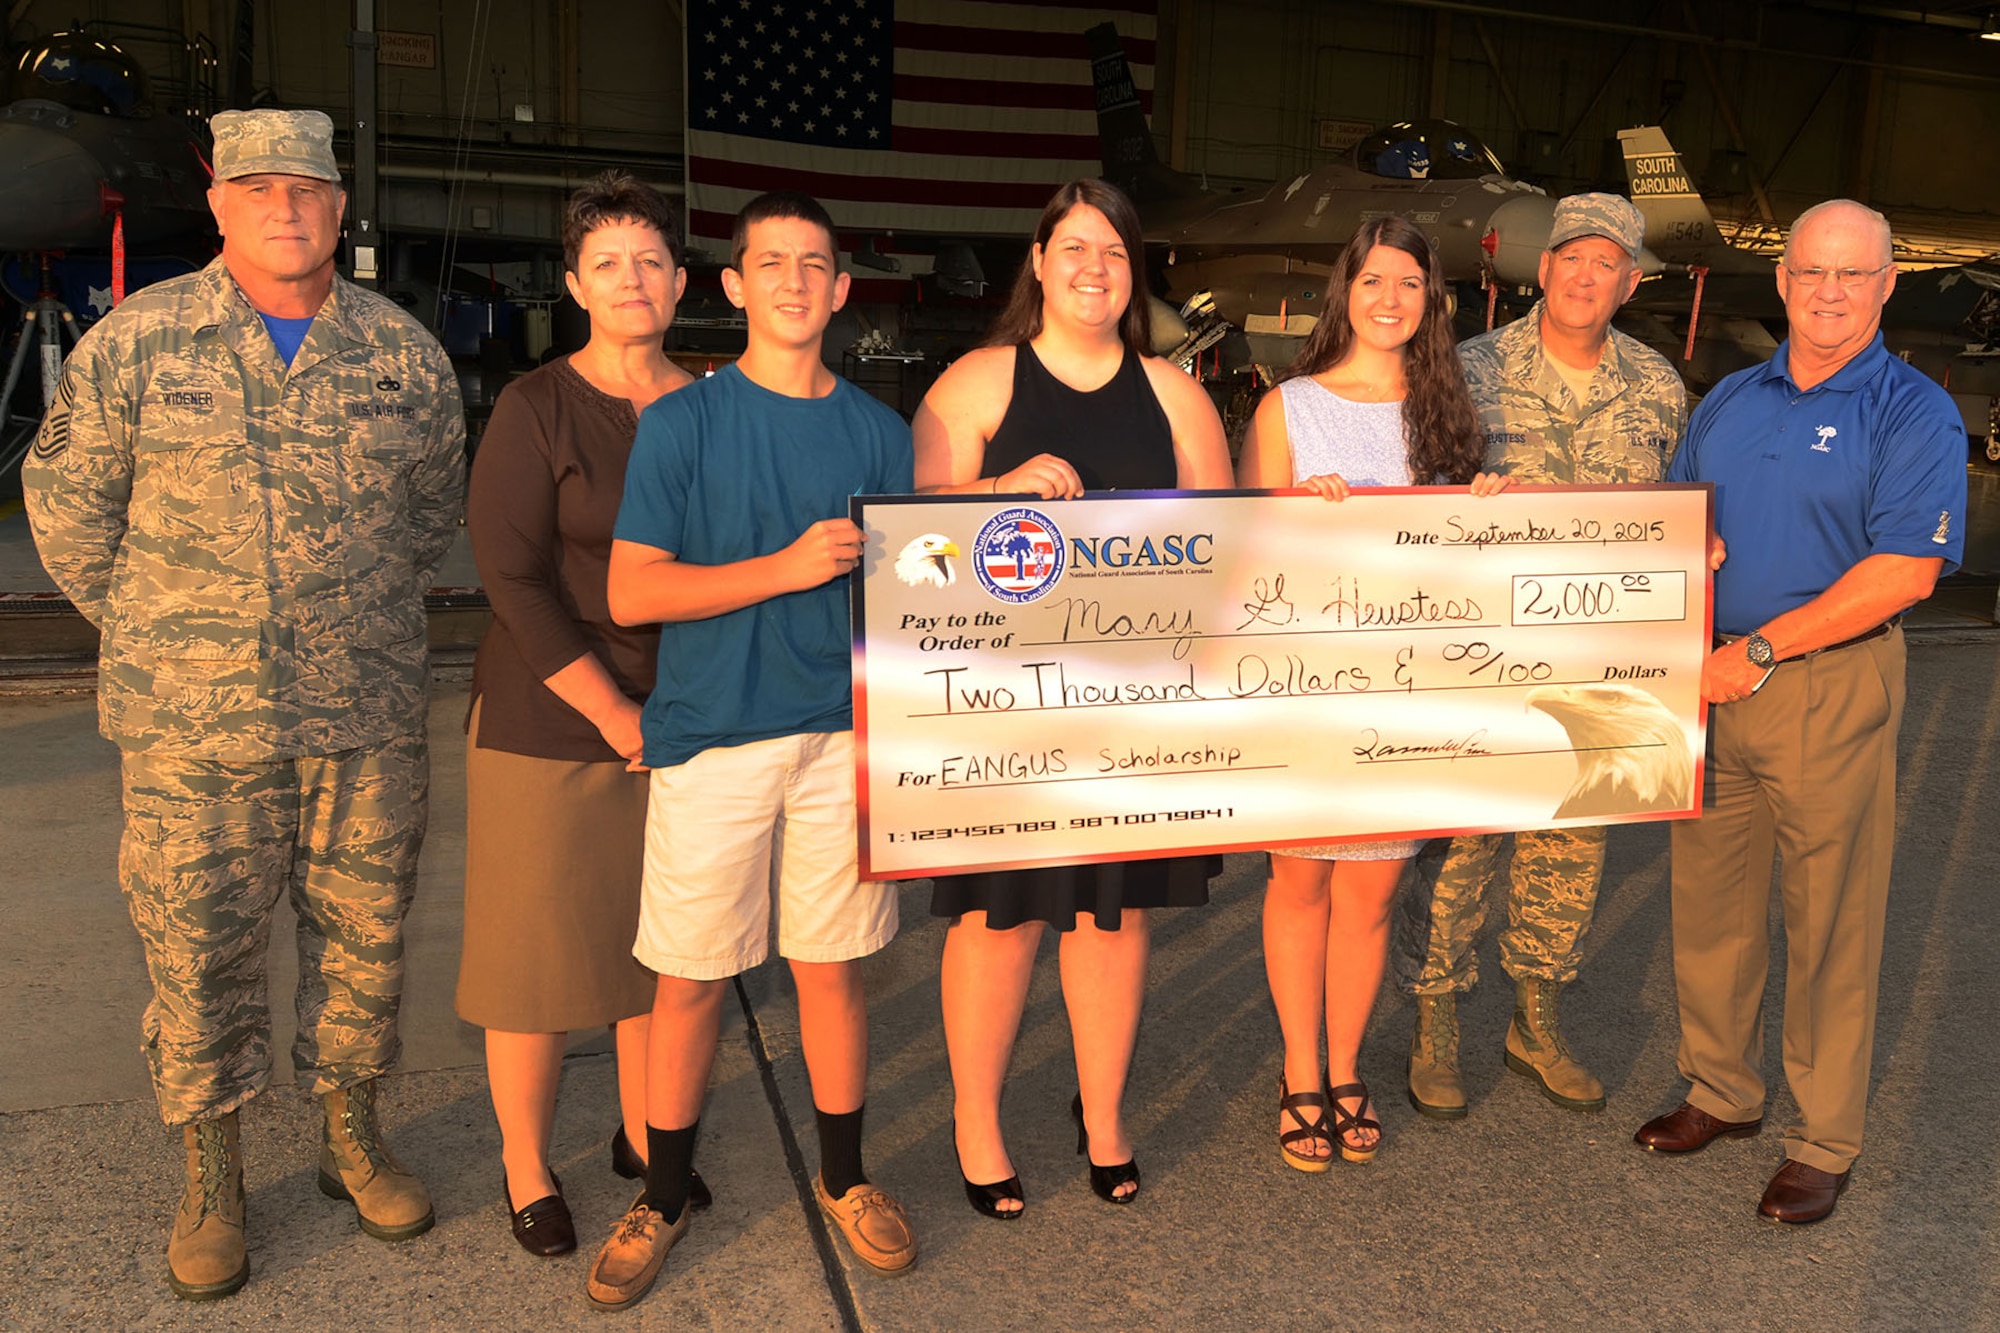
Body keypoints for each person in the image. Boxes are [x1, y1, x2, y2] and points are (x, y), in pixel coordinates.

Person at [21, 109, 463, 1300]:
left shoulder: (400, 354)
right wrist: (170, 634)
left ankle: (350, 1137)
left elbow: (430, 514)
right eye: (259, 187)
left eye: (308, 189)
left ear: (337, 207)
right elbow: (65, 508)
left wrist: (342, 618)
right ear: (217, 200)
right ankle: (213, 1174)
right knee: (197, 949)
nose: (286, 207)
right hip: (190, 730)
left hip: (362, 717)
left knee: (364, 940)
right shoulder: (140, 343)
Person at [585, 191, 917, 1309]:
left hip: (838, 738)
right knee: (688, 979)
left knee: (832, 970)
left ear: (839, 289)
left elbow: (921, 581)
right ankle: (663, 1192)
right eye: (766, 262)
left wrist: (1007, 504)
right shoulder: (684, 421)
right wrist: (784, 565)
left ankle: (844, 1176)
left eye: (811, 262)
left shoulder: (878, 430)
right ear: (731, 287)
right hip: (715, 737)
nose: (789, 279)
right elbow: (635, 589)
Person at [1636, 199, 1965, 1224]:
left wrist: (1763, 649)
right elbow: (1676, 515)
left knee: (1827, 917)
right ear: (1780, 280)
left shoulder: (1912, 411)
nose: (1827, 292)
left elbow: (1904, 573)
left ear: (1884, 285)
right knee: (1711, 897)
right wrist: (1686, 557)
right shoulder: (1731, 396)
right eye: (1810, 272)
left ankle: (1822, 1138)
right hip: (1711, 679)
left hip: (1821, 682)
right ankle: (1720, 1089)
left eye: (1850, 275)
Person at [912, 178, 1232, 1217]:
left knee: (1111, 918)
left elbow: (1230, 551)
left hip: (1132, 713)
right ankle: (975, 1121)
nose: (1094, 268)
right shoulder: (976, 383)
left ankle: (1100, 1114)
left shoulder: (1174, 394)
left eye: (1114, 253)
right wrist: (989, 496)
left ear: (1132, 276)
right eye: (1075, 249)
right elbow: (906, 543)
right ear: (1039, 263)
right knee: (998, 924)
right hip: (1002, 715)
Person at [1389, 193, 1688, 1122]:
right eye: (1572, 258)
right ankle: (1434, 1022)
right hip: (1478, 658)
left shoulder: (1658, 385)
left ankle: (1536, 1019)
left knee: (1571, 841)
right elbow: (1411, 503)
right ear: (1543, 267)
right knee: (1460, 843)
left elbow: (1671, 516)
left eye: (1608, 263)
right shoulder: (1467, 370)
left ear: (1631, 282)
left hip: (1598, 662)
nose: (1586, 276)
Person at [457, 172, 710, 1258]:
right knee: (539, 958)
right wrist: (611, 710)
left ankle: (644, 1134)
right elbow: (511, 577)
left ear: (682, 281)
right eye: (606, 262)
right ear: (572, 285)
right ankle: (525, 1161)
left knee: (658, 953)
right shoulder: (535, 407)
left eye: (650, 260)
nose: (631, 279)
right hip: (550, 720)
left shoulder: (713, 406)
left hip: (685, 720)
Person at [1235, 215, 1492, 1170]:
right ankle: (1300, 1071)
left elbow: (1467, 573)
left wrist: (1493, 513)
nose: (1390, 299)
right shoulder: (1288, 409)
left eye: (1411, 285)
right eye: (1374, 279)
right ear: (1346, 289)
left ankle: (1346, 1065)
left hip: (1408, 695)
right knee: (1300, 881)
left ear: (1432, 302)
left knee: (1374, 893)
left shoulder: (1449, 409)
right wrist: (1294, 517)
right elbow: (1237, 559)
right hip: (1305, 690)